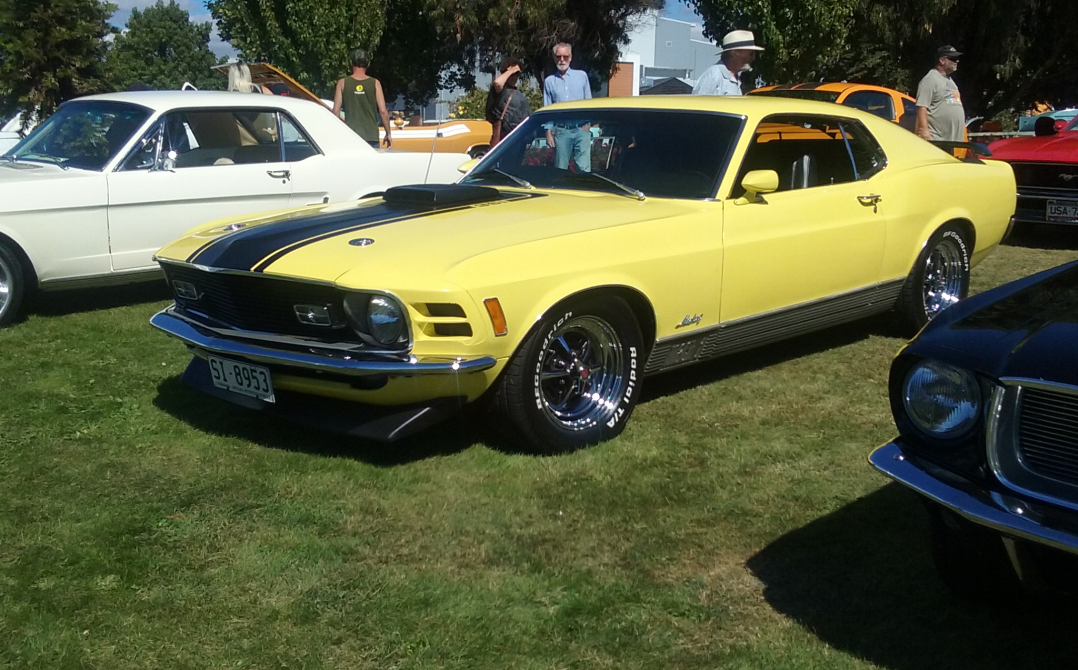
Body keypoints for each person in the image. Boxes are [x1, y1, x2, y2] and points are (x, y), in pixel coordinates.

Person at [543, 43, 592, 171]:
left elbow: (589, 102)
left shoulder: (582, 76)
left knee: (583, 169)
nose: (562, 60)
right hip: (561, 131)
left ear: (570, 57)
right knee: (560, 170)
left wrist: (588, 124)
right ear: (554, 58)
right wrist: (548, 132)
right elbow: (548, 108)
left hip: (581, 129)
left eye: (565, 56)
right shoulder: (549, 81)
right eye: (558, 56)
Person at [332, 48, 392, 149]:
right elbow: (383, 111)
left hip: (350, 136)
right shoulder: (375, 83)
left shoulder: (342, 83)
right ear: (368, 64)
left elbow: (336, 112)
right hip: (371, 136)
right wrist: (388, 133)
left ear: (351, 63)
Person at [915, 45, 965, 142]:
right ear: (942, 60)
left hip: (950, 140)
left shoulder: (950, 81)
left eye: (957, 59)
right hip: (936, 138)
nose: (957, 61)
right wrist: (924, 130)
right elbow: (922, 106)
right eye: (953, 59)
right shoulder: (930, 79)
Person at [692, 30, 764, 96]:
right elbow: (697, 104)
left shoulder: (736, 78)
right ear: (734, 53)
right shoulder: (713, 77)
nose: (753, 58)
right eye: (750, 54)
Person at [485, 57, 531, 147]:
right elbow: (498, 83)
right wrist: (510, 70)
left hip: (519, 139)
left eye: (517, 74)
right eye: (513, 74)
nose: (515, 77)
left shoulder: (520, 95)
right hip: (504, 140)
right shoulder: (501, 91)